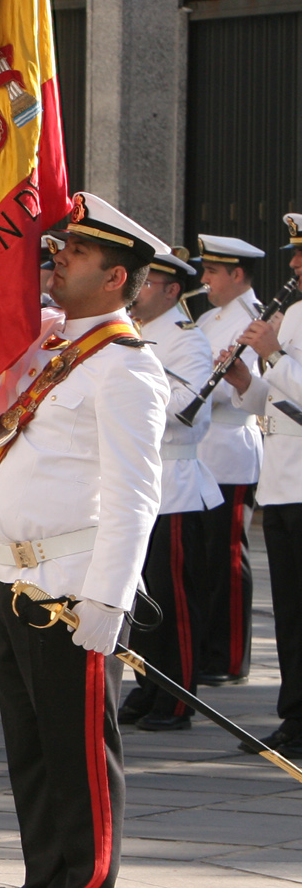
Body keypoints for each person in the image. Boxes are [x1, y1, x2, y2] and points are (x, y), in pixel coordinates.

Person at [0, 192, 169, 888]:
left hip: (68, 593)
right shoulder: (60, 352)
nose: (58, 260)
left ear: (118, 277)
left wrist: (108, 601)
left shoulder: (124, 370)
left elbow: (134, 495)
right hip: (23, 585)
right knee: (36, 756)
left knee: (79, 760)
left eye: (76, 255)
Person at [117, 249, 221, 731]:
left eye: (149, 283)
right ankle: (149, 685)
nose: (137, 290)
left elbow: (188, 412)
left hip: (175, 486)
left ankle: (177, 699)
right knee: (141, 597)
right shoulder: (133, 333)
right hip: (140, 482)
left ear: (173, 291)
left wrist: (135, 401)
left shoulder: (186, 343)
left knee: (173, 599)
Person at [233, 212, 302, 750]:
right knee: (290, 614)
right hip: (280, 484)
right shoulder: (295, 313)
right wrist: (243, 380)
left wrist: (272, 354)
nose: (295, 263)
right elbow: (277, 402)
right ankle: (294, 714)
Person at [192, 233, 265, 685]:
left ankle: (229, 655)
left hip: (230, 449)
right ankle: (204, 647)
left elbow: (243, 386)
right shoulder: (211, 318)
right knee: (201, 560)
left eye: (213, 272)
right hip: (202, 452)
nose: (205, 280)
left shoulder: (253, 320)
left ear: (237, 275)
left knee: (225, 558)